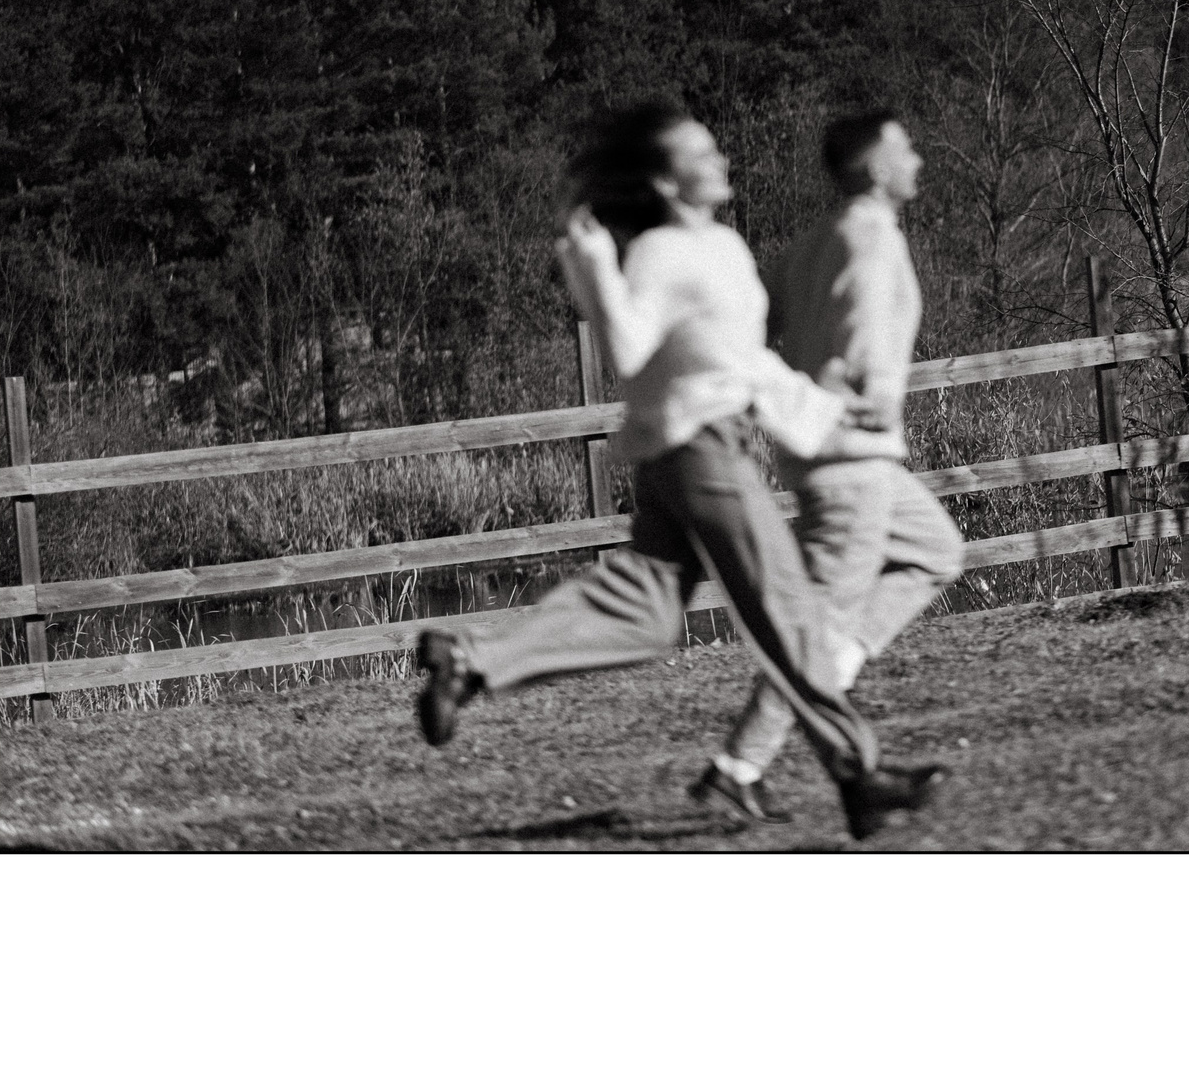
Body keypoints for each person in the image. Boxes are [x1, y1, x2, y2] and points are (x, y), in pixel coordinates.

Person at [412, 103, 939, 842]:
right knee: (787, 611)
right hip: (701, 453)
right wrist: (595, 264)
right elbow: (629, 350)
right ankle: (858, 774)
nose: (719, 158)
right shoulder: (658, 252)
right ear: (666, 181)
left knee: (649, 614)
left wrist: (823, 409)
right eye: (700, 153)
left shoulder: (724, 245)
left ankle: (469, 662)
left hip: (691, 449)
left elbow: (742, 361)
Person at [693, 110, 965, 823]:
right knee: (814, 630)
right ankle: (740, 765)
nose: (917, 158)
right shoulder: (871, 238)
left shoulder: (813, 241)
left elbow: (758, 326)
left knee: (936, 550)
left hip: (844, 457)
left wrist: (786, 395)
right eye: (906, 147)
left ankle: (833, 668)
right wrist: (866, 393)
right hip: (852, 456)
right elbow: (866, 332)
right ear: (875, 167)